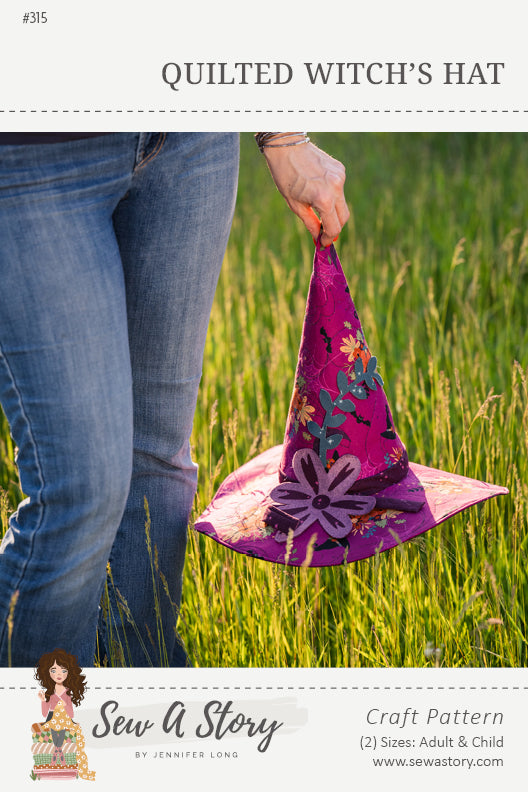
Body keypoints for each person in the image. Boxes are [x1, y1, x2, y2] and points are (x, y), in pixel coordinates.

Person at [0, 132, 349, 667]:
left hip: (189, 142)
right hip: (30, 159)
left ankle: (143, 703)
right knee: (78, 495)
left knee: (159, 467)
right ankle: (45, 740)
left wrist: (282, 134)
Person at [32, 648, 95, 779]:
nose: (58, 674)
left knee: (64, 738)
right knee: (56, 738)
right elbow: (45, 713)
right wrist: (44, 701)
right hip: (53, 720)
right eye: (53, 670)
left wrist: (66, 706)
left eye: (64, 670)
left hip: (65, 720)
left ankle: (58, 759)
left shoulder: (68, 692)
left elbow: (71, 714)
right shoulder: (49, 692)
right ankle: (59, 758)